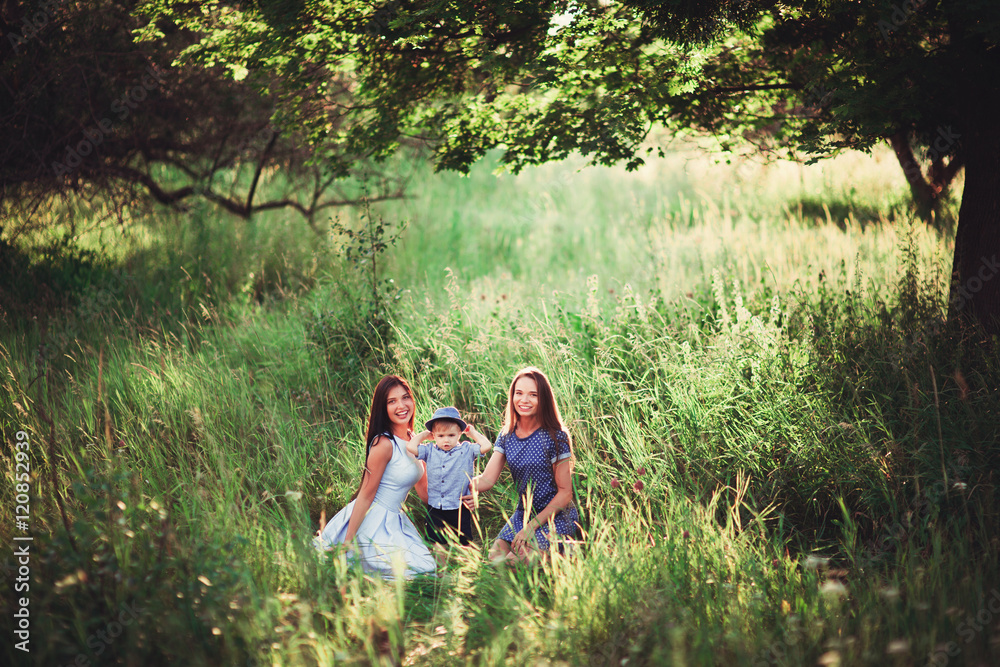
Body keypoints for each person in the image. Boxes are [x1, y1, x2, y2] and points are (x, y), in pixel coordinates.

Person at [313, 375, 435, 578]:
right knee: (415, 573)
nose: (401, 405)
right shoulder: (384, 444)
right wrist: (348, 542)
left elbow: (426, 495)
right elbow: (366, 496)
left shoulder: (414, 440)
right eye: (392, 401)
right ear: (383, 408)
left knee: (426, 569)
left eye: (405, 397)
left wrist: (460, 500)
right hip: (372, 519)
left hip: (396, 521)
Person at [462, 367, 579, 563]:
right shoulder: (507, 435)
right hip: (523, 514)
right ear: (512, 396)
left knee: (514, 562)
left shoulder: (555, 436)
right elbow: (487, 479)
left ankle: (565, 554)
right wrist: (457, 485)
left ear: (543, 399)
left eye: (533, 395)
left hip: (555, 516)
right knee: (494, 559)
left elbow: (565, 493)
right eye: (519, 393)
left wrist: (531, 527)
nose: (524, 400)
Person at [405, 406, 493, 546]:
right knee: (437, 543)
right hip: (436, 507)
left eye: (451, 435)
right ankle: (442, 567)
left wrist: (473, 434)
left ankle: (468, 565)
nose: (446, 440)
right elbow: (411, 447)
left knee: (464, 542)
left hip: (459, 506)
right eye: (440, 436)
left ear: (459, 433)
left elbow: (487, 446)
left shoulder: (466, 449)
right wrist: (424, 435)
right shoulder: (429, 450)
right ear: (433, 436)